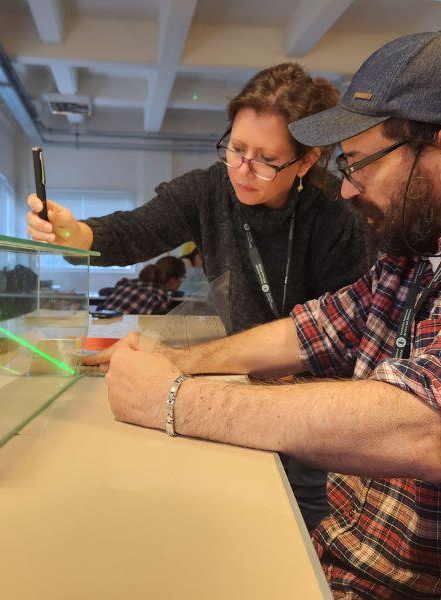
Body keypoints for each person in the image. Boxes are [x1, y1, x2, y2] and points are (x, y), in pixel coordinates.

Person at [86, 32, 441, 598]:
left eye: (358, 163)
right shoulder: (426, 243)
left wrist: (170, 400)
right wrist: (178, 362)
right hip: (351, 553)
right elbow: (319, 326)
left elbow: (432, 426)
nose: (350, 187)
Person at [28, 62, 371, 531]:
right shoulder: (211, 189)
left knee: (309, 505)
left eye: (266, 160)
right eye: (236, 148)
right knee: (240, 504)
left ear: (307, 162)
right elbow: (136, 229)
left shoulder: (339, 217)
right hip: (240, 374)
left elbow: (345, 334)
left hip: (313, 391)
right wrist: (76, 233)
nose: (243, 170)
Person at [98, 256, 186, 315]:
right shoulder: (159, 296)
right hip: (120, 336)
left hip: (97, 332)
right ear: (172, 279)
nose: (181, 282)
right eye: (182, 278)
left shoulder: (127, 283)